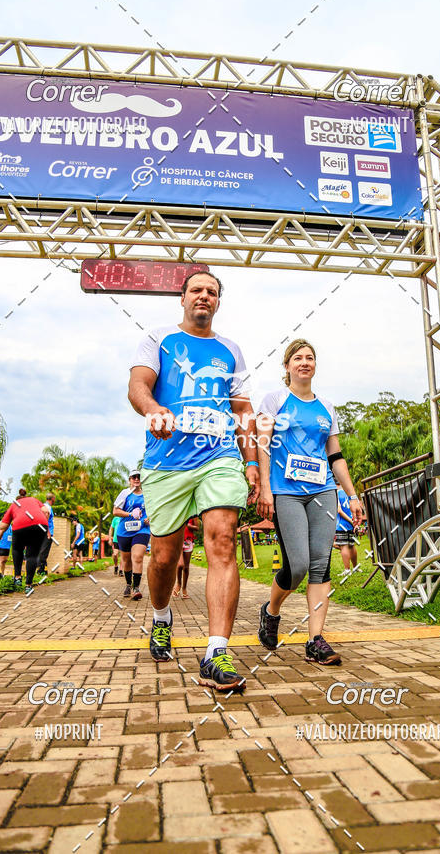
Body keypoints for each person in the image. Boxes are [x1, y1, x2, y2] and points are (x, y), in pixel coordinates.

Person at [128, 270, 259, 693]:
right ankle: (162, 616)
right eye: (197, 290)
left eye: (212, 292)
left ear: (218, 302)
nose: (204, 296)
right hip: (167, 462)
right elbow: (137, 385)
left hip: (218, 456)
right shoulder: (159, 338)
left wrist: (250, 458)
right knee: (164, 557)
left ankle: (217, 651)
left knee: (222, 539)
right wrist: (153, 409)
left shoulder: (231, 349)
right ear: (182, 298)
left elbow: (242, 409)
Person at [256, 339, 363, 666]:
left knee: (320, 564)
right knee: (298, 566)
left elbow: (336, 455)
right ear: (287, 366)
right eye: (298, 358)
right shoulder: (274, 400)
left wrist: (352, 494)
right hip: (285, 492)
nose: (305, 362)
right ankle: (271, 611)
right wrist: (264, 489)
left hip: (323, 492)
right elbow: (262, 447)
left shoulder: (326, 407)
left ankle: (316, 640)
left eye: (310, 358)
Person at [0, 488, 49, 593]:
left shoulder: (13, 505)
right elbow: (46, 511)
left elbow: (2, 528)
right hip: (40, 525)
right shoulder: (33, 500)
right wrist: (45, 525)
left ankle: (17, 578)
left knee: (17, 549)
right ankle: (28, 586)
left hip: (20, 526)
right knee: (32, 555)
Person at [113, 470, 150, 601]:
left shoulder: (147, 494)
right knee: (127, 561)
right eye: (133, 477)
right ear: (129, 480)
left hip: (142, 530)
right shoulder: (125, 493)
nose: (136, 479)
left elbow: (155, 509)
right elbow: (115, 511)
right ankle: (128, 584)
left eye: (138, 477)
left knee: (138, 557)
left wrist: (150, 518)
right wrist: (130, 514)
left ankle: (136, 588)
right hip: (124, 532)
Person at [334, 481, 358, 572]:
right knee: (351, 545)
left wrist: (350, 521)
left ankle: (347, 570)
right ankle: (355, 567)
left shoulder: (336, 493)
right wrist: (354, 522)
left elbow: (339, 510)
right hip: (352, 524)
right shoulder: (349, 493)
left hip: (342, 525)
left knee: (344, 546)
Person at [174, 516, 198, 598]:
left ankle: (184, 588)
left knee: (186, 567)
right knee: (180, 564)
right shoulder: (179, 510)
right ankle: (178, 584)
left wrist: (188, 525)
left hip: (188, 541)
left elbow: (197, 527)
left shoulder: (193, 514)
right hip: (178, 539)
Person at [37, 492, 55, 576]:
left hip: (41, 531)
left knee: (42, 551)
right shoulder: (47, 508)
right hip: (47, 532)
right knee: (43, 552)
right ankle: (40, 571)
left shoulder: (42, 506)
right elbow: (45, 519)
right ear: (52, 499)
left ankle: (44, 570)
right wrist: (48, 532)